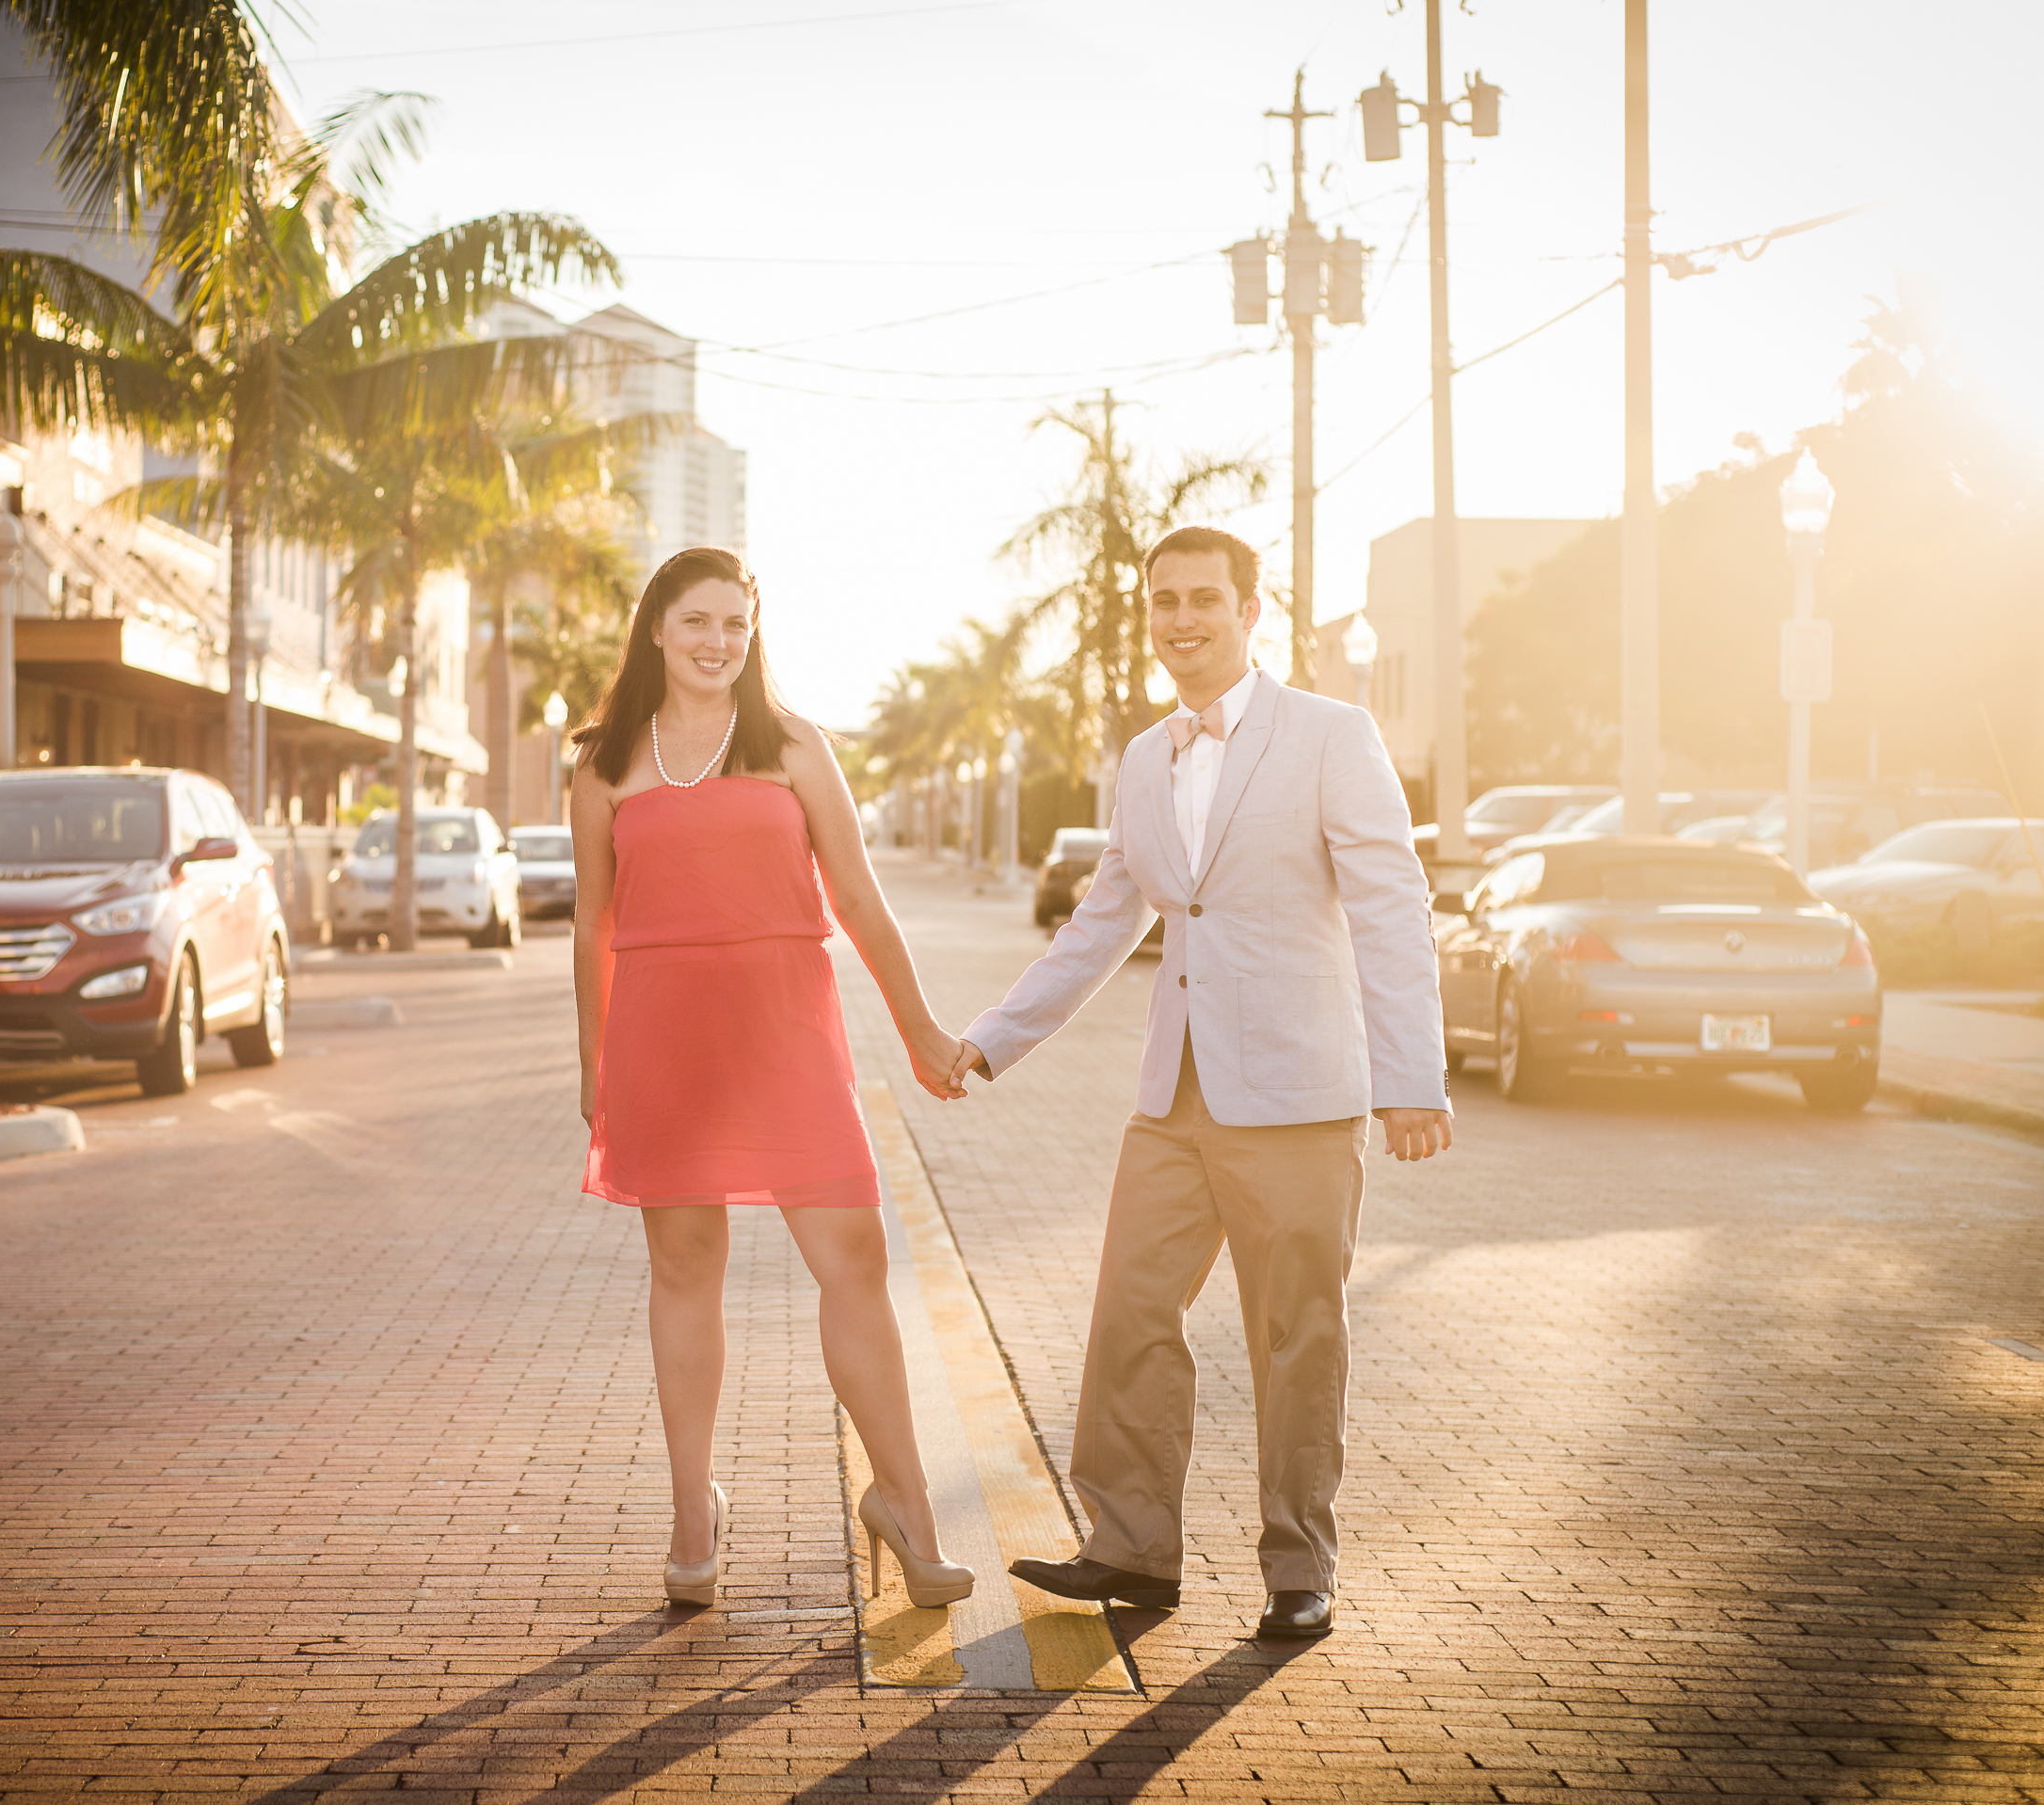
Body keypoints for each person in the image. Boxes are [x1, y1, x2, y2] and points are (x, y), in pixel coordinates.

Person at [949, 525, 1450, 1640]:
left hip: (1301, 1095)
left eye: (1202, 600)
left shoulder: (1330, 735)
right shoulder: (1140, 757)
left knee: (1294, 1333)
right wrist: (992, 1036)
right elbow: (1100, 925)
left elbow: (1387, 906)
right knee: (1129, 1309)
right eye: (1162, 602)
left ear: (1249, 608)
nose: (1180, 620)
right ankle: (1131, 1550)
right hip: (1172, 1095)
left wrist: (1410, 1078)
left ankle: (1297, 1567)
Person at [571, 545, 976, 1611]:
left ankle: (906, 1505)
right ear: (655, 626)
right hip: (664, 1040)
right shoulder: (605, 761)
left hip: (785, 1032)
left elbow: (857, 896)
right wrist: (593, 1062)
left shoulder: (794, 745)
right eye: (697, 622)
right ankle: (692, 1514)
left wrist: (921, 1027)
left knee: (851, 1249)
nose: (717, 643)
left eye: (736, 627)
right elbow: (593, 921)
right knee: (685, 1261)